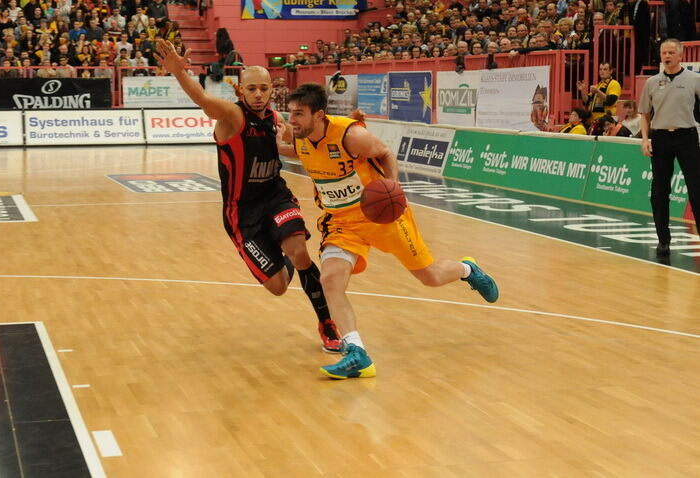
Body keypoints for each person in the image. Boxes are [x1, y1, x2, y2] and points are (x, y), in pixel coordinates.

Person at [279, 83, 498, 379]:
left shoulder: (350, 135)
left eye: (298, 114)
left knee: (430, 277)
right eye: (290, 113)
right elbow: (295, 151)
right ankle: (357, 353)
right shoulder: (300, 135)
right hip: (341, 222)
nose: (292, 119)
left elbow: (384, 153)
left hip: (381, 215)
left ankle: (467, 270)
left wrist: (392, 187)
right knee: (330, 280)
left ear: (319, 115)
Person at [153, 38, 342, 353]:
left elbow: (293, 150)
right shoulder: (232, 116)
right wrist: (178, 72)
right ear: (240, 91)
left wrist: (335, 141)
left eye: (263, 88)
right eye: (251, 88)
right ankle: (281, 252)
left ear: (271, 90)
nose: (258, 94)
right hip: (243, 214)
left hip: (276, 197)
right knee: (278, 286)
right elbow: (201, 98)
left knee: (299, 250)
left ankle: (327, 324)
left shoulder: (276, 120)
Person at [638, 38, 700, 258]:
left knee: (696, 190)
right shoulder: (652, 82)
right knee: (659, 192)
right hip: (661, 139)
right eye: (664, 52)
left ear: (681, 55)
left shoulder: (694, 79)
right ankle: (663, 240)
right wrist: (645, 139)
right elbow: (644, 114)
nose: (667, 56)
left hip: (687, 137)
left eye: (672, 52)